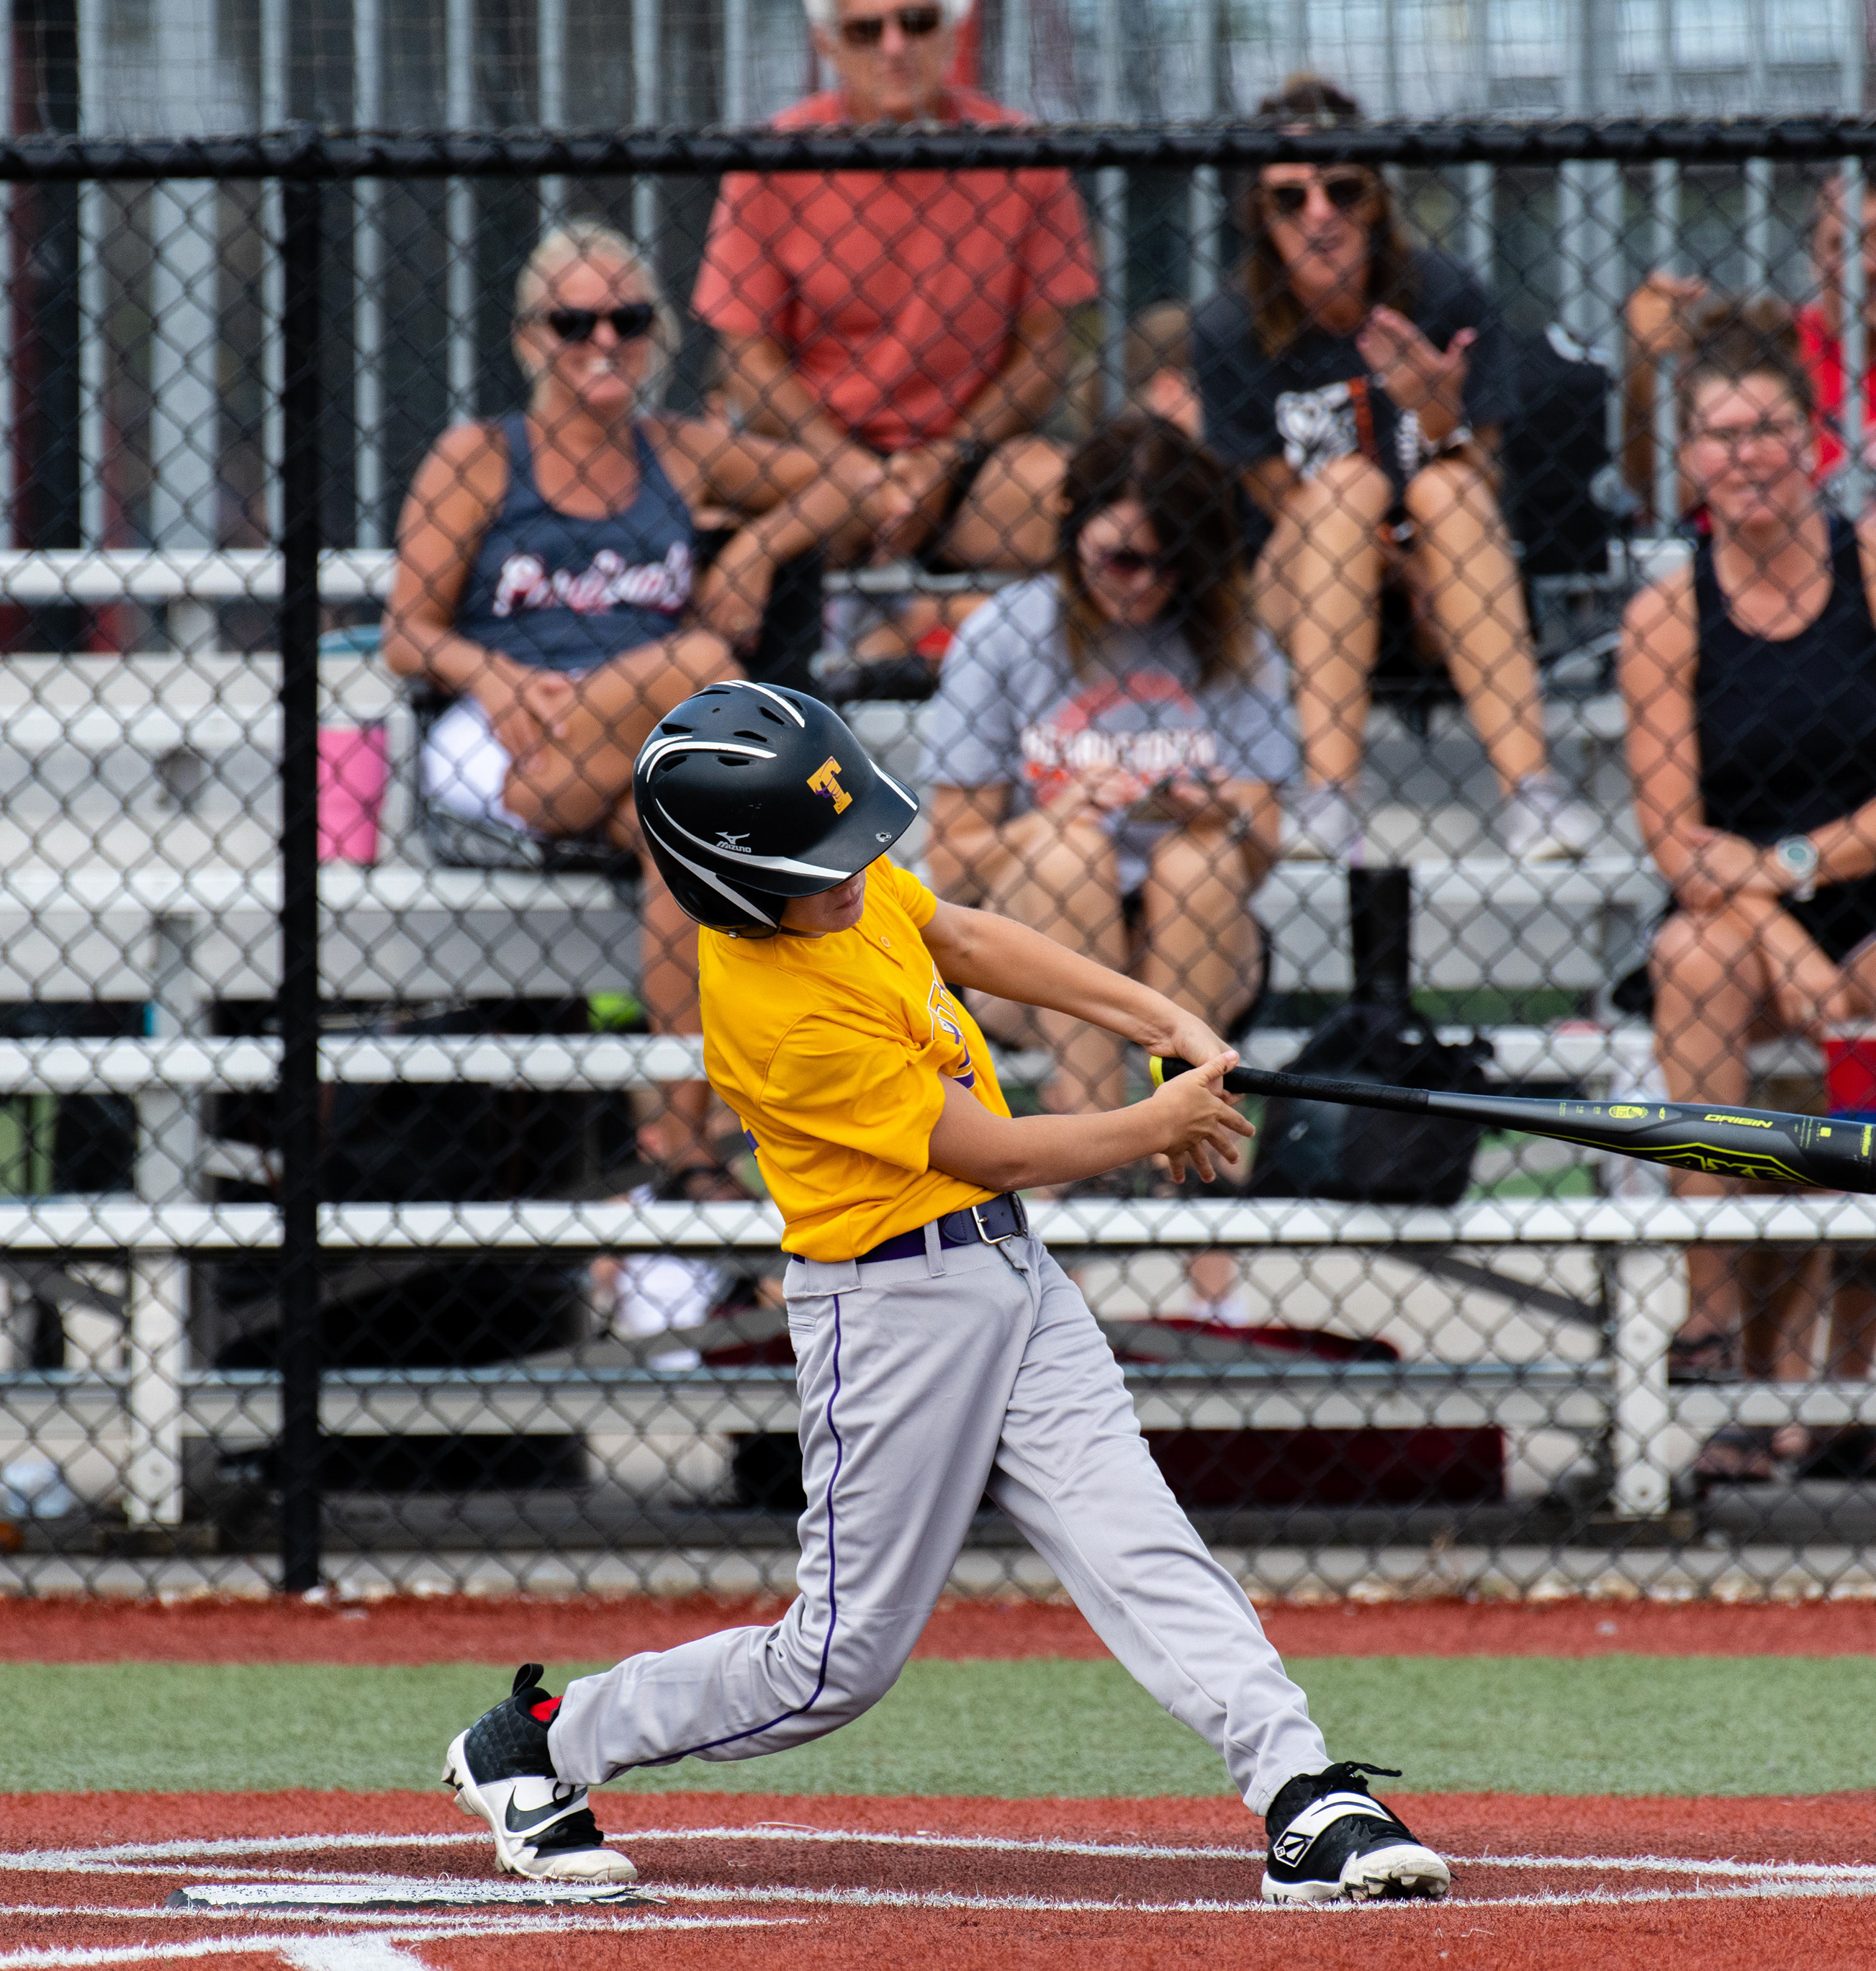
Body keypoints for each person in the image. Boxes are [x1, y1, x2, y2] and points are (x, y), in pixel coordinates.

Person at [439, 681, 1453, 1908]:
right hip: (890, 1315)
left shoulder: (837, 889)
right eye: (824, 862)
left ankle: (1303, 1790)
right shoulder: (776, 1009)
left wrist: (1162, 1014)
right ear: (734, 881)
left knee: (1140, 1541)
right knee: (831, 1665)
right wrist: (1158, 1120)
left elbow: (959, 933)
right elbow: (995, 1150)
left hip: (1012, 1276)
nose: (856, 872)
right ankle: (542, 1741)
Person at [384, 222, 860, 1173]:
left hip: (648, 738)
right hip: (514, 737)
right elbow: (407, 631)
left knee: (681, 840)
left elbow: (847, 480)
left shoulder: (678, 451)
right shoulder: (481, 457)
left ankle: (683, 1141)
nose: (603, 341)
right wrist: (493, 672)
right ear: (530, 338)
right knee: (701, 663)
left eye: (628, 320)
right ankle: (816, 830)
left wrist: (756, 547)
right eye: (574, 322)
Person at [1618, 302, 1876, 1482]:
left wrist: (1795, 866)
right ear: (1690, 458)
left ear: (1814, 440)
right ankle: (1710, 1313)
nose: (1747, 456)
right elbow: (1676, 838)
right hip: (1740, 931)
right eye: (1721, 435)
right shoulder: (1665, 615)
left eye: (1770, 429)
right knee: (1690, 958)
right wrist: (1777, 930)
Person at [920, 416, 1292, 1325]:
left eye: (1172, 565)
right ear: (1072, 531)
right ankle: (1083, 1189)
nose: (1146, 585)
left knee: (1200, 860)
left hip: (1193, 950)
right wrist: (1051, 817)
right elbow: (950, 857)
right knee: (1071, 852)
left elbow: (1265, 841)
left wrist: (1221, 808)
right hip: (1038, 950)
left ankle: (1205, 1234)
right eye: (1123, 559)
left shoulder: (1229, 635)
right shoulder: (1008, 634)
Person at [1192, 76, 1587, 864]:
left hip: (1451, 591)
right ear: (1259, 215)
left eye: (1343, 190)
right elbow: (1281, 502)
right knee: (1345, 485)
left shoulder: (1443, 295)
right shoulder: (1232, 327)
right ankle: (1328, 794)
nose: (1320, 215)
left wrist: (1436, 414)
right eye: (1290, 198)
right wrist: (1406, 566)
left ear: (1375, 200)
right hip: (1306, 593)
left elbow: (1482, 477)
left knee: (1445, 485)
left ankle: (1531, 792)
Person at [694, 0, 1094, 582]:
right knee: (706, 533)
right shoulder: (773, 157)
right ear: (827, 44)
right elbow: (747, 360)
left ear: (953, 29)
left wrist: (946, 459)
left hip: (972, 462)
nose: (894, 47)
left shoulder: (1023, 153)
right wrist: (852, 472)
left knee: (1085, 506)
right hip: (812, 460)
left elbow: (1044, 352)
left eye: (916, 22)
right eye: (865, 30)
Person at [1624, 162, 1876, 534]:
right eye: (1844, 244)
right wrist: (1647, 364)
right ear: (1813, 259)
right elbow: (1665, 492)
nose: (1870, 265)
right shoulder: (1766, 349)